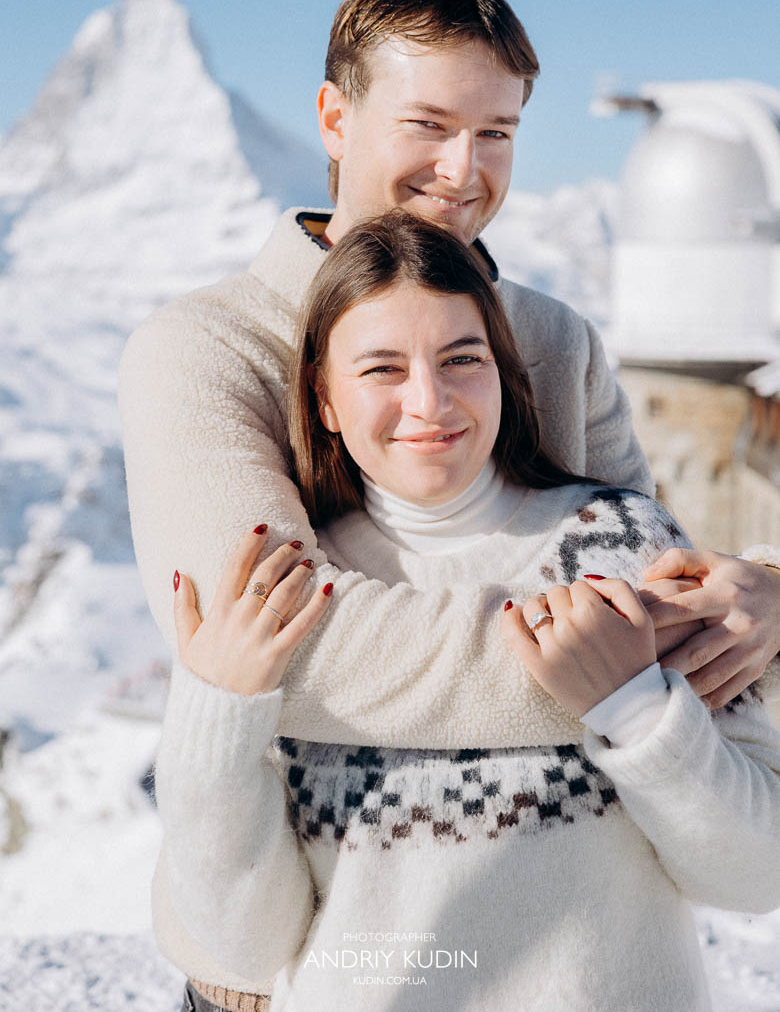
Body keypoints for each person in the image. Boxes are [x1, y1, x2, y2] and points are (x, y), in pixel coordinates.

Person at [119, 0, 780, 753]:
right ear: (335, 118)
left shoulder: (556, 343)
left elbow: (648, 569)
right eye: (427, 125)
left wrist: (762, 591)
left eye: (495, 132)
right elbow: (289, 654)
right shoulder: (204, 349)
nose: (464, 172)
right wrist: (632, 669)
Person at [153, 216, 780, 1012]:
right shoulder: (294, 601)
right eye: (382, 368)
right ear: (325, 400)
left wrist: (637, 710)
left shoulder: (629, 544)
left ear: (503, 372)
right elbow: (248, 940)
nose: (430, 400)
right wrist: (215, 719)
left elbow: (757, 874)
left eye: (461, 359)